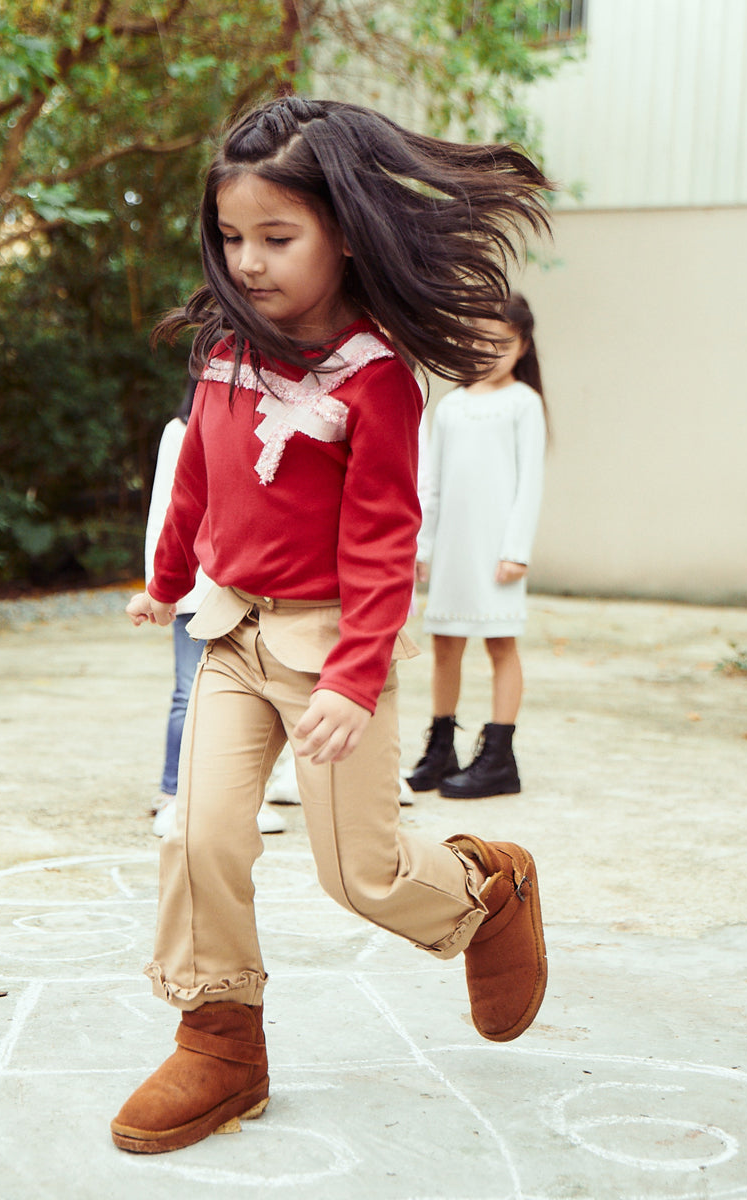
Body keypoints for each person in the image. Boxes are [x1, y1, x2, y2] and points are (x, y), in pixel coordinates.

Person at [112, 96, 552, 1156]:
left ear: (341, 232)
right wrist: (168, 579)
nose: (248, 261)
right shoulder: (223, 348)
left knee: (361, 874)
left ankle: (487, 887)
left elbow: (381, 543)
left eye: (277, 236)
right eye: (231, 237)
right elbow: (197, 487)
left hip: (326, 651)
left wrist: (356, 680)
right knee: (196, 832)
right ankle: (219, 1040)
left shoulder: (377, 380)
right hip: (230, 635)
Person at [408, 293, 548, 798]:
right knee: (445, 643)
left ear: (523, 345)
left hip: (497, 553)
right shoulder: (452, 407)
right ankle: (441, 745)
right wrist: (423, 545)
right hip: (452, 550)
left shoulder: (523, 404)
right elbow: (434, 482)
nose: (490, 352)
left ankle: (498, 758)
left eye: (503, 343)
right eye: (479, 341)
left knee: (500, 644)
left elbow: (529, 483)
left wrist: (517, 550)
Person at [145, 380, 285, 837]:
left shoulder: (260, 418)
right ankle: (172, 791)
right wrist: (162, 588)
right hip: (192, 588)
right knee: (188, 692)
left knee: (243, 693)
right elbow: (169, 510)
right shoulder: (178, 430)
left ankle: (236, 796)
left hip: (238, 588)